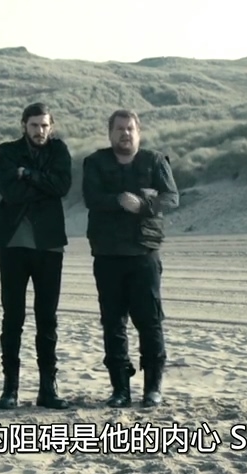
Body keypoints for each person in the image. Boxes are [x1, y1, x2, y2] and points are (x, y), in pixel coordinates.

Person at [81, 109, 179, 408]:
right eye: (119, 129)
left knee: (150, 322)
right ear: (110, 132)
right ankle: (120, 389)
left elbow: (171, 198)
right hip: (107, 254)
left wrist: (143, 206)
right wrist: (118, 201)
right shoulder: (95, 162)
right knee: (113, 324)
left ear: (139, 132)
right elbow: (91, 198)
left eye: (130, 129)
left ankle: (152, 389)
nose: (125, 134)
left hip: (144, 254)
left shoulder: (155, 161)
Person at [0, 102, 72, 410]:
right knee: (13, 317)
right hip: (12, 244)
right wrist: (42, 182)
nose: (39, 131)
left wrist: (28, 174)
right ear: (24, 125)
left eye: (45, 125)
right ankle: (10, 389)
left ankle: (48, 388)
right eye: (34, 125)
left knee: (47, 319)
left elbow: (62, 186)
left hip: (49, 244)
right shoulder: (8, 151)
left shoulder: (59, 151)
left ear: (51, 126)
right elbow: (10, 192)